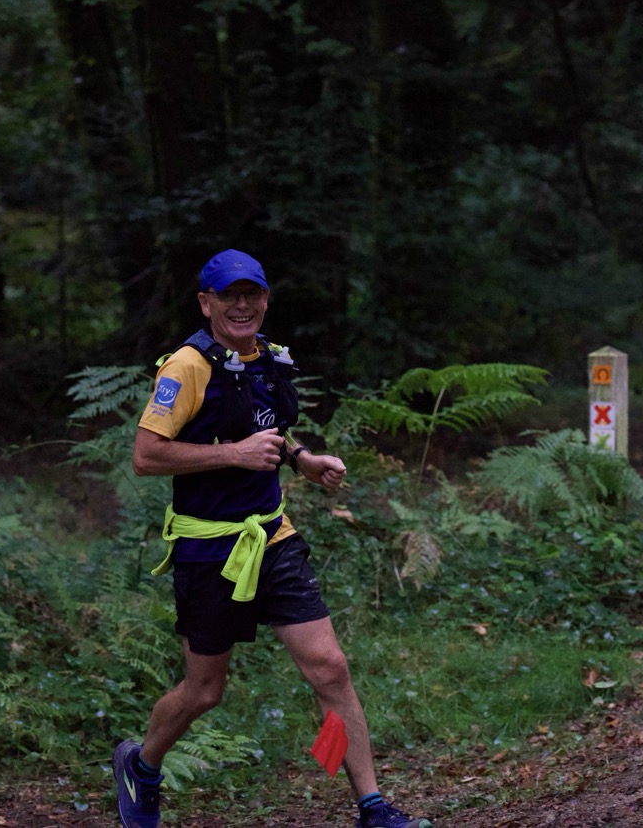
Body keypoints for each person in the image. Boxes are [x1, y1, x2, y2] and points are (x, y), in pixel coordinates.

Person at [112, 249, 432, 828]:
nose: (242, 305)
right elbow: (146, 456)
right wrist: (232, 455)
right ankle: (142, 764)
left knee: (329, 668)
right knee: (205, 691)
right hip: (210, 548)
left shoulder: (269, 358)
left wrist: (302, 458)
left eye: (252, 294)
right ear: (205, 303)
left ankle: (372, 807)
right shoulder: (186, 367)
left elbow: (269, 430)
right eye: (228, 296)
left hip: (273, 537)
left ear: (265, 300)